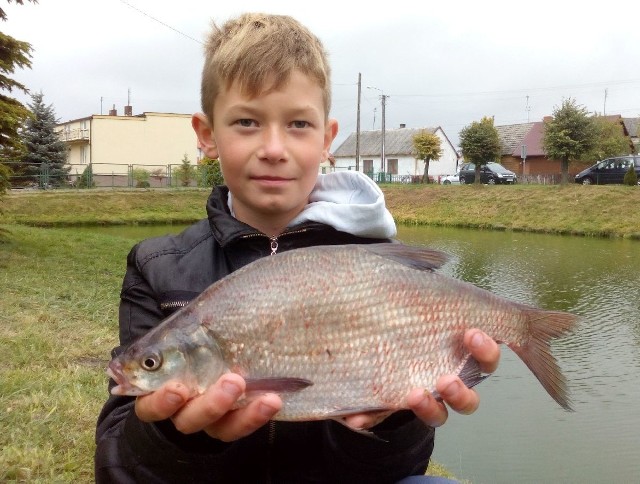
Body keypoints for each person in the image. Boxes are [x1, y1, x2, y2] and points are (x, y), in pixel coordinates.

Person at [95, 12, 500, 483]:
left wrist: (394, 417)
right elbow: (117, 465)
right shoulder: (156, 267)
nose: (273, 147)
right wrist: (181, 436)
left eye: (298, 124)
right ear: (207, 135)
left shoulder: (375, 266)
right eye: (246, 121)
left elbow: (399, 468)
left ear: (327, 140)